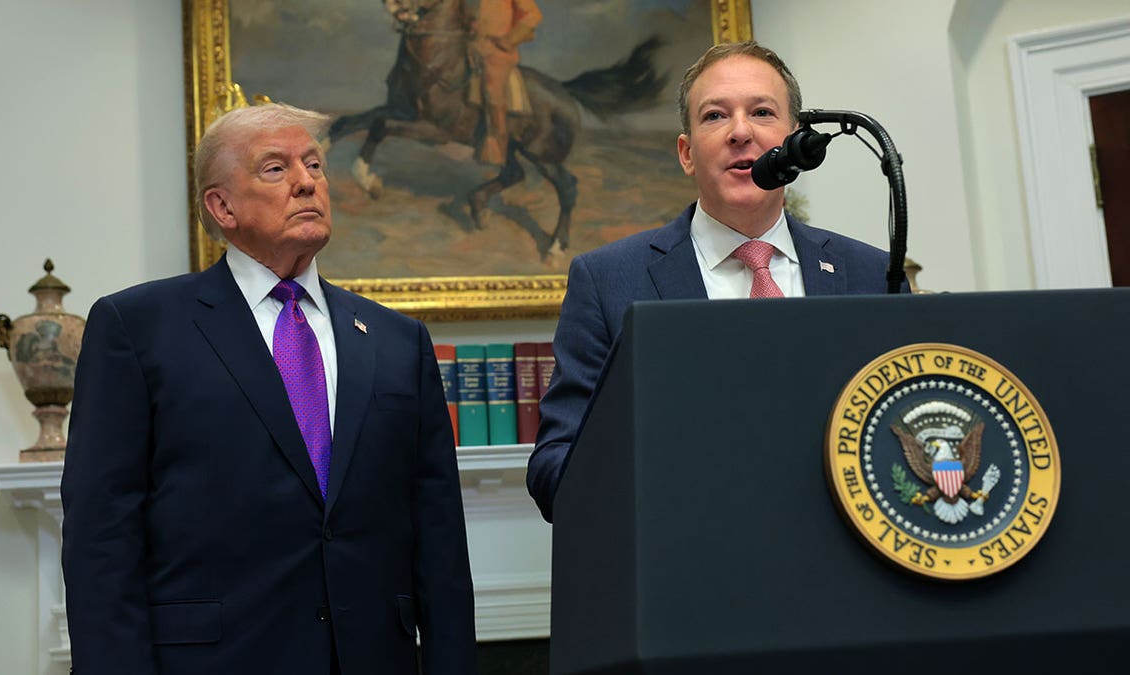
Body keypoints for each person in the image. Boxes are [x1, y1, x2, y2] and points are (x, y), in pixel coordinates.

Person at [61, 103, 477, 674]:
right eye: (276, 169)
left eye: (314, 165)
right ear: (222, 206)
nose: (308, 181)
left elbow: (441, 539)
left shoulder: (397, 339)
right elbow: (101, 539)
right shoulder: (137, 328)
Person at [526, 41, 908, 523]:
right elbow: (553, 469)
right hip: (685, 566)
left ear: (795, 140)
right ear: (686, 153)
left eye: (763, 112)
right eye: (714, 116)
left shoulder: (872, 274)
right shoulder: (606, 281)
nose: (741, 132)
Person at [469, 0, 543, 165]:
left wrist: (509, 40)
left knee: (492, 92)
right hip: (471, 46)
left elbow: (533, 15)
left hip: (497, 51)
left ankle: (497, 146)